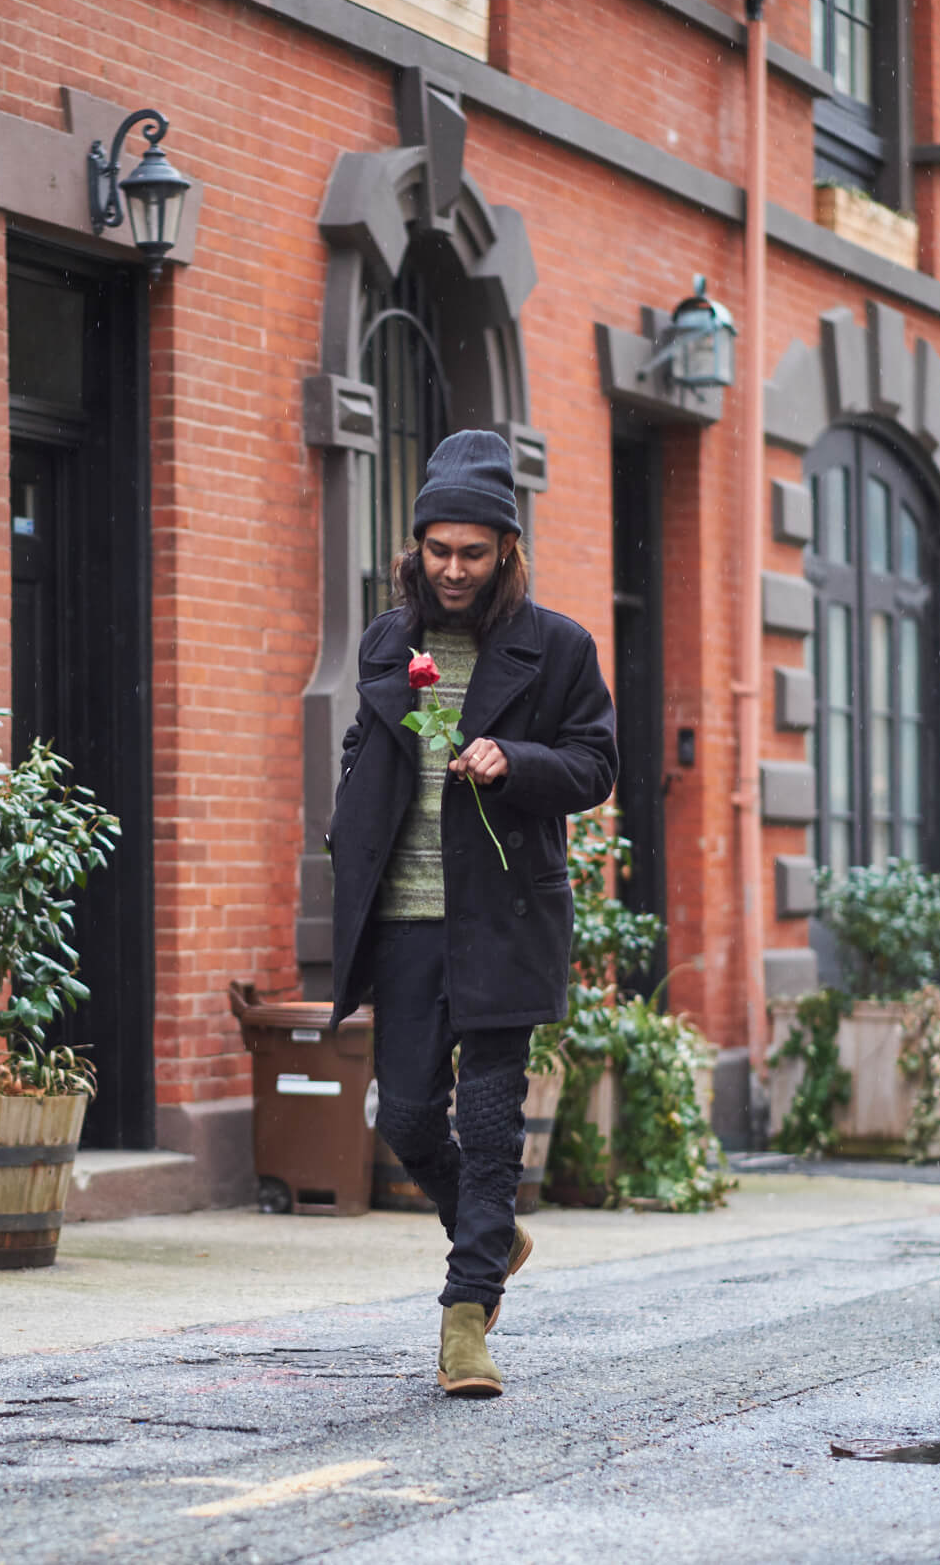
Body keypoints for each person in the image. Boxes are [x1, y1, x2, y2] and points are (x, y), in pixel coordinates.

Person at [328, 429, 618, 1399]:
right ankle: (491, 1232)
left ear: (506, 551)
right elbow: (365, 745)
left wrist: (515, 761)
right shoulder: (387, 638)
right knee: (407, 1115)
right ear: (418, 547)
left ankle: (465, 1317)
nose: (453, 570)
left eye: (473, 553)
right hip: (406, 916)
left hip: (503, 917)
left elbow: (594, 764)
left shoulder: (559, 646)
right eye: (438, 551)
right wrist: (350, 817)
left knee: (492, 1124)